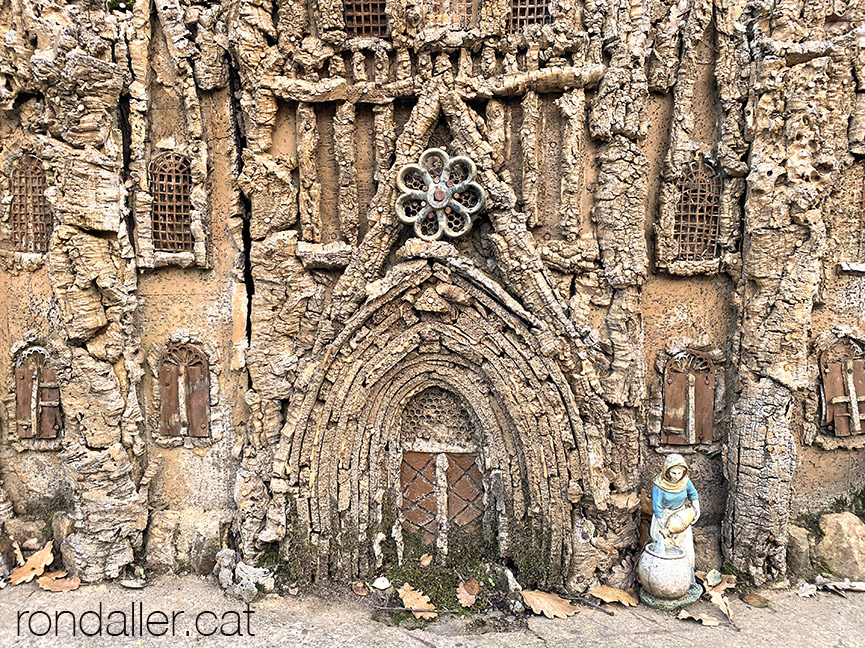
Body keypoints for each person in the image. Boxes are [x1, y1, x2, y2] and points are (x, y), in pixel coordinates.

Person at [650, 454, 700, 574]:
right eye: (673, 473)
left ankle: (686, 576)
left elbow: (693, 494)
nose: (677, 477)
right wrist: (664, 525)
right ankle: (661, 576)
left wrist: (696, 509)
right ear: (667, 471)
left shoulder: (685, 481)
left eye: (679, 473)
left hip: (680, 516)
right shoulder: (659, 485)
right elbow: (657, 506)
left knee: (685, 547)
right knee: (662, 544)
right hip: (663, 516)